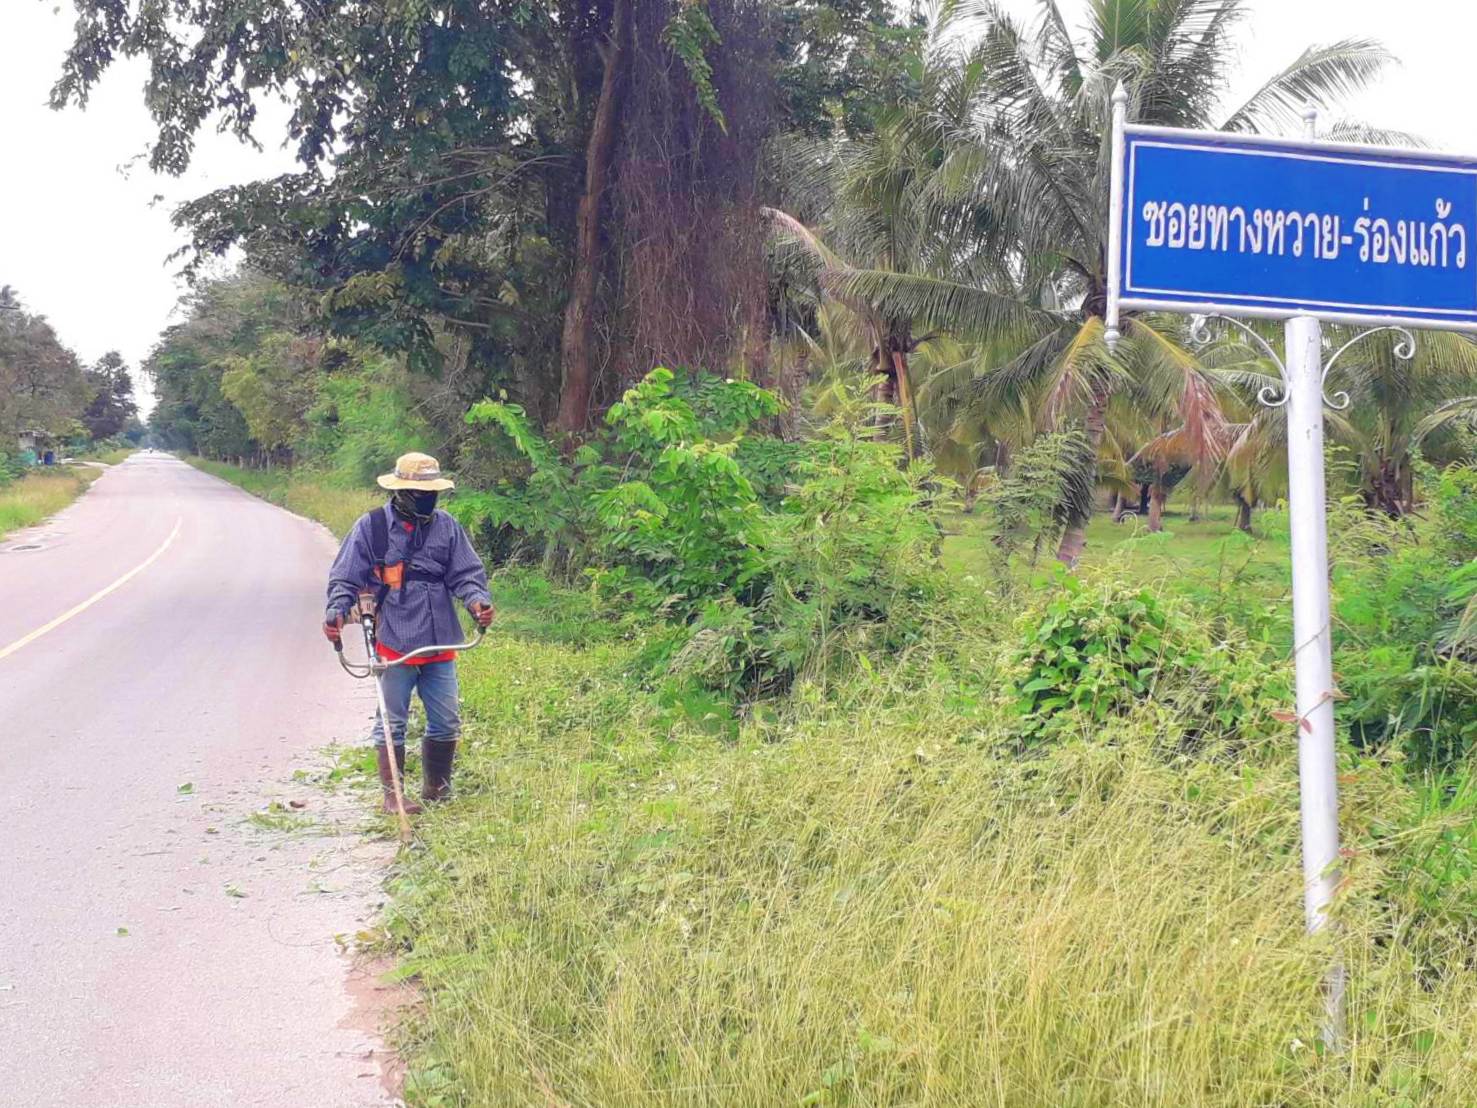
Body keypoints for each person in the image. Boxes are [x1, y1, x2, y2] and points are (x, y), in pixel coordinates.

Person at [324, 452, 494, 813]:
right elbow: (344, 577)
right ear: (400, 492)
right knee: (391, 722)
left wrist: (477, 601)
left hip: (440, 639)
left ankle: (437, 790)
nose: (426, 497)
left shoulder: (447, 527)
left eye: (430, 490)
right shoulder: (371, 528)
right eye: (419, 491)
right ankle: (393, 797)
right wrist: (336, 611)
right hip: (394, 640)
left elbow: (466, 574)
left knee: (446, 719)